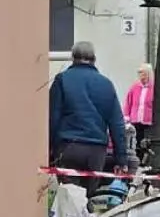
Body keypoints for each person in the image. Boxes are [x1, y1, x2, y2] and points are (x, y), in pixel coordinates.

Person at [50, 41, 128, 197]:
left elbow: (53, 117)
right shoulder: (106, 84)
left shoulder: (62, 80)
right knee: (89, 197)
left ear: (73, 58)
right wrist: (121, 159)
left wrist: (49, 149)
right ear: (94, 59)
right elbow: (117, 124)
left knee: (69, 199)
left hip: (68, 147)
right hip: (96, 151)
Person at [124, 64, 155, 138]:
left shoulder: (153, 88)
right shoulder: (134, 87)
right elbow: (128, 103)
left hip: (148, 122)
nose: (141, 76)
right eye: (140, 73)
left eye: (144, 74)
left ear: (149, 74)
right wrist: (126, 118)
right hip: (135, 121)